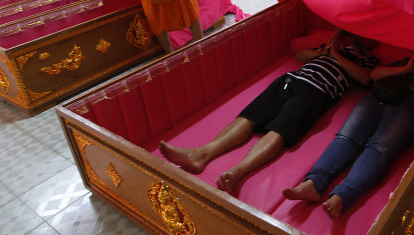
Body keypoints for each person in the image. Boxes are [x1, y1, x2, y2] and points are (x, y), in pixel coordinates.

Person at [159, 30, 379, 193]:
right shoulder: (329, 46)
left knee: (279, 130)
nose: (363, 36)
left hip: (317, 92)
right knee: (248, 118)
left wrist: (336, 55)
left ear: (373, 43)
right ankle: (200, 154)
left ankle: (238, 171)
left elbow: (365, 79)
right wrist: (324, 51)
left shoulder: (367, 60)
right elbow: (300, 55)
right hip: (290, 80)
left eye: (370, 36)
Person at [283, 52, 414, 218]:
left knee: (379, 149)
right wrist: (405, 69)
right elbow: (374, 75)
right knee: (346, 137)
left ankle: (342, 196)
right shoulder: (405, 61)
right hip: (376, 100)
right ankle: (313, 183)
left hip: (410, 109)